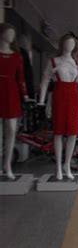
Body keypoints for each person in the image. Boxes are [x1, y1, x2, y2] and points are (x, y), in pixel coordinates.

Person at [39, 33, 78, 180]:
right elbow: (44, 80)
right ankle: (58, 168)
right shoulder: (53, 61)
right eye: (67, 43)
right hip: (59, 96)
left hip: (73, 98)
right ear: (62, 44)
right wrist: (42, 100)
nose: (70, 46)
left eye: (72, 43)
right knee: (59, 132)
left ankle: (67, 165)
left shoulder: (77, 64)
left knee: (73, 133)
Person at [0, 23, 31, 179]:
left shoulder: (17, 56)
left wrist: (24, 94)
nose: (11, 36)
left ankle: (7, 164)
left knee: (11, 130)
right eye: (8, 33)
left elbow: (21, 78)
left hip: (11, 92)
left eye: (13, 34)